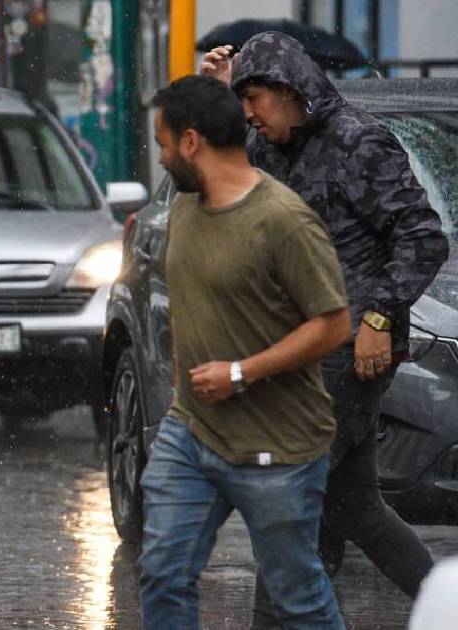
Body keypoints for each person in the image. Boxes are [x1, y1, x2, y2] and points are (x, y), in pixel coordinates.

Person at [201, 32, 448, 621]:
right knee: (354, 508)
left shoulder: (358, 142)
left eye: (255, 99)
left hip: (347, 348)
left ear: (289, 89)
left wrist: (380, 317)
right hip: (301, 347)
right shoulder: (272, 146)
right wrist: (219, 96)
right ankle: (449, 607)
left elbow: (422, 237)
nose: (250, 115)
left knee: (287, 504)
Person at [139, 75, 352, 628]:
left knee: (296, 597)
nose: (160, 159)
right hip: (192, 431)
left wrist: (241, 372)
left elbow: (333, 325)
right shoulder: (188, 203)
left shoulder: (284, 221)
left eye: (163, 143)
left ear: (191, 143)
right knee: (163, 573)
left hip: (277, 447)